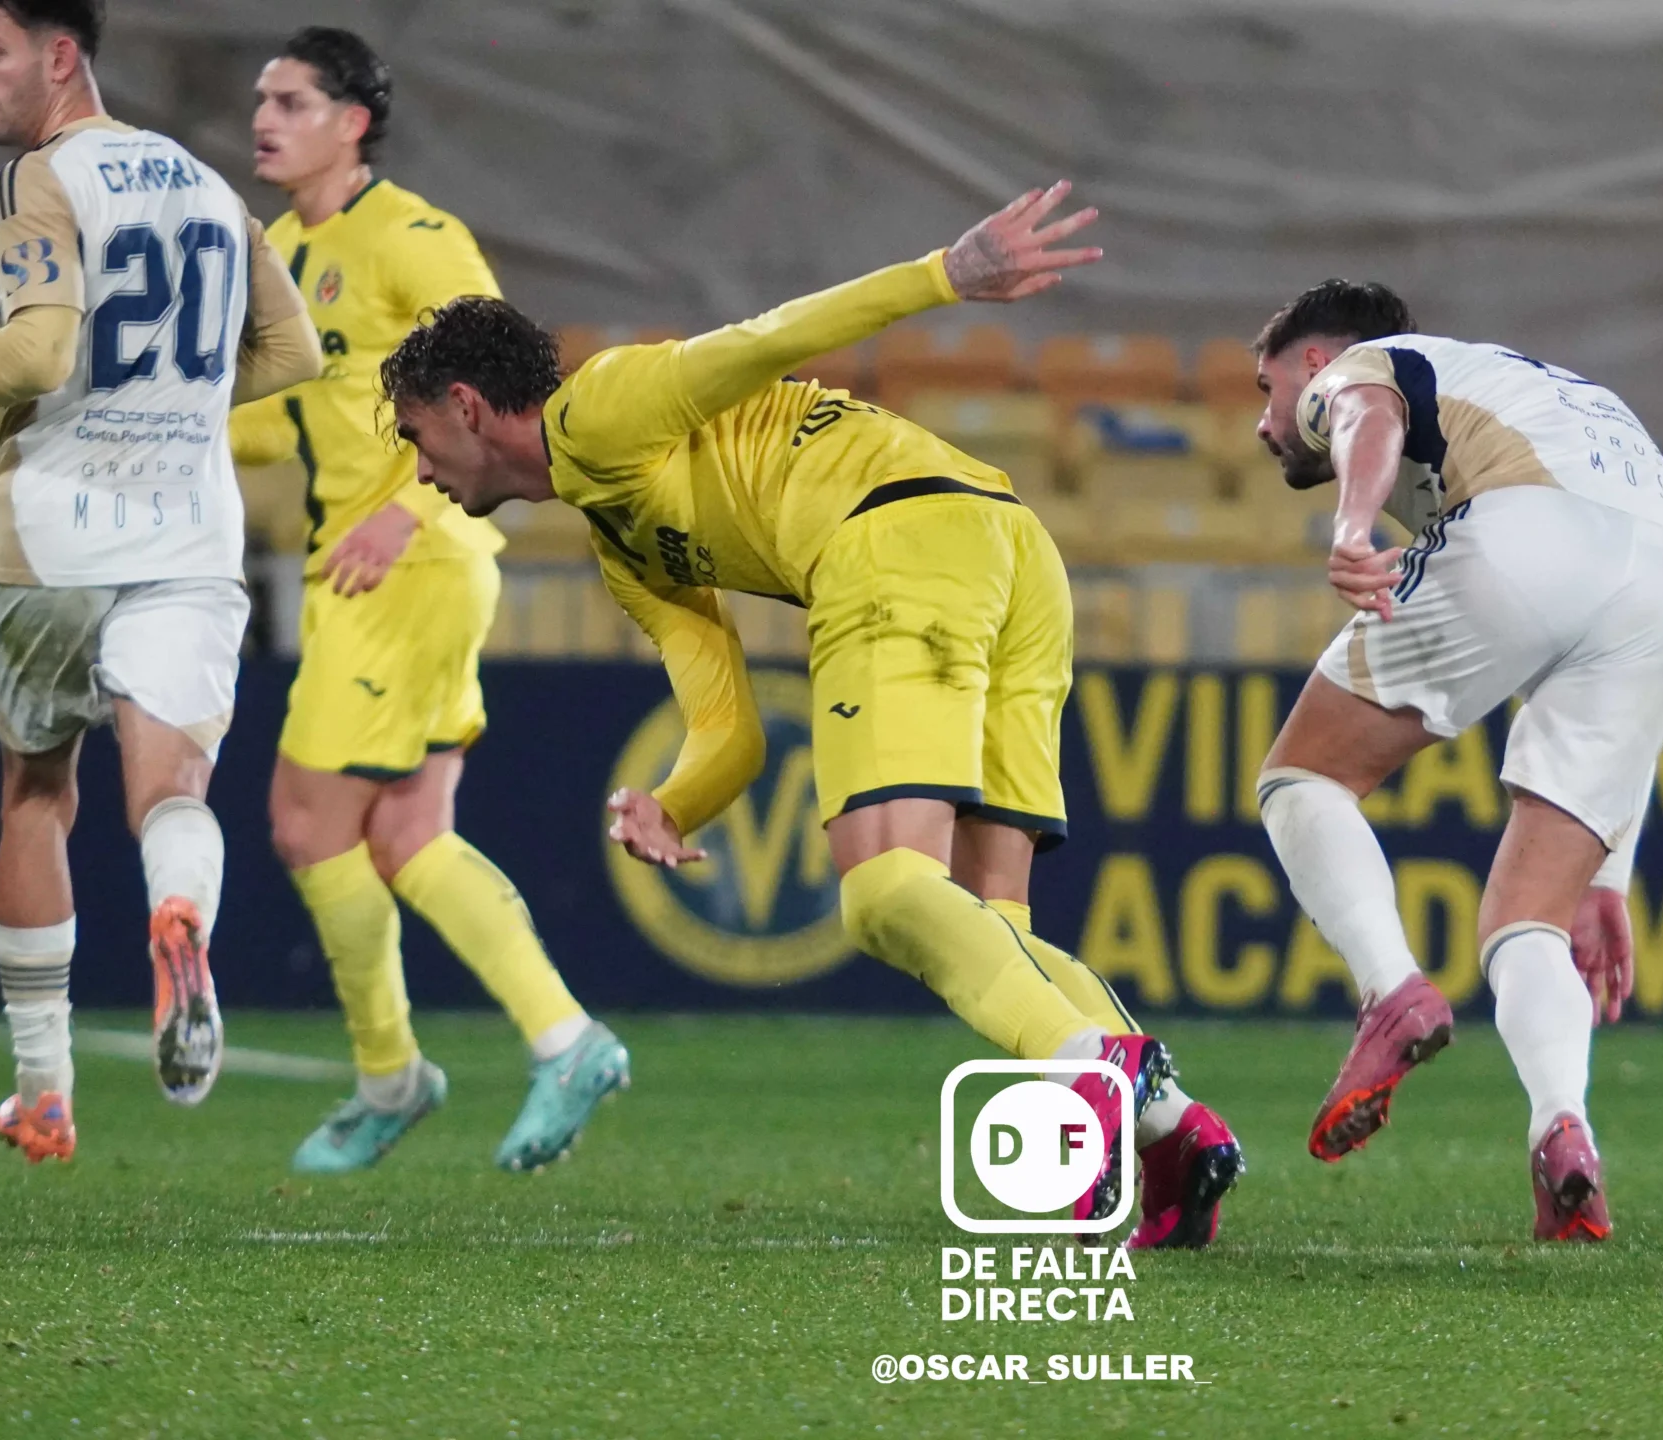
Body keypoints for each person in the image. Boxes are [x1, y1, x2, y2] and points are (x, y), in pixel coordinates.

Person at [376, 185, 1243, 1248]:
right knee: (991, 922)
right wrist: (675, 803)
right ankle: (1174, 1140)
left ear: (467, 407)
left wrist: (944, 277)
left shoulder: (600, 409)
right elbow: (728, 724)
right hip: (1007, 548)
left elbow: (767, 338)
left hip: (895, 543)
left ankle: (1097, 1080)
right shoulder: (623, 542)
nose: (418, 469)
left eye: (417, 436)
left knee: (882, 893)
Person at [0, 0, 320, 1161]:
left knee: (37, 795)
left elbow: (44, 349)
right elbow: (297, 352)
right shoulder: (211, 189)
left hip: (58, 535)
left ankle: (45, 1092)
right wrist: (175, 409)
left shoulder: (37, 180)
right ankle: (182, 922)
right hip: (192, 538)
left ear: (61, 58)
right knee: (173, 794)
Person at [227, 27, 625, 1176]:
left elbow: (505, 386)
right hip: (374, 564)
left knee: (308, 825)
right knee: (406, 835)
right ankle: (565, 1038)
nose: (266, 118)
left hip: (406, 559)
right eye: (263, 99)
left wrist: (414, 510)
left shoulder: (411, 235)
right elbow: (296, 414)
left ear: (353, 122)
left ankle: (391, 1076)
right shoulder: (290, 254)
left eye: (292, 100)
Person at [1247, 280, 1663, 1242]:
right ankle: (1563, 1128)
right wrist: (1610, 871)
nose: (1266, 424)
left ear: (1307, 364)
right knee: (1528, 917)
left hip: (1529, 527)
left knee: (1303, 779)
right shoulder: (1538, 388)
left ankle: (1390, 995)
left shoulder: (1351, 370)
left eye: (1267, 391)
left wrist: (1349, 527)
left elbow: (1365, 409)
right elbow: (1621, 620)